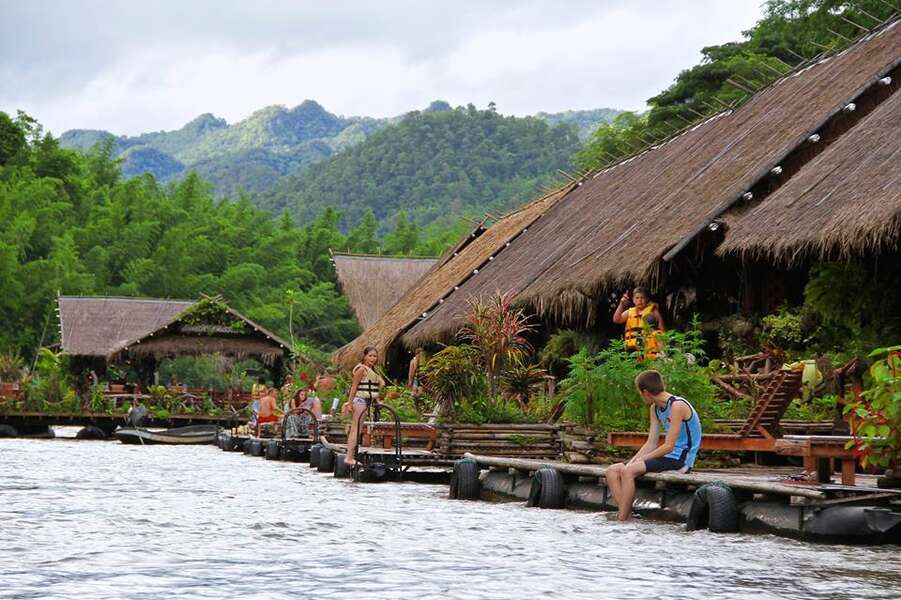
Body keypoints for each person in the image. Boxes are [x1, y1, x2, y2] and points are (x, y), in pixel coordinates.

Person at [605, 370, 702, 521]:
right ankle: (626, 515)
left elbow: (669, 446)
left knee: (629, 472)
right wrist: (633, 461)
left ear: (645, 393)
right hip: (666, 457)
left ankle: (621, 520)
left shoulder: (677, 406)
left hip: (681, 459)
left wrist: (637, 463)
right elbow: (651, 443)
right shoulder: (655, 409)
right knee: (613, 471)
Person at [342, 346, 384, 466]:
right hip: (359, 401)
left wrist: (378, 400)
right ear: (364, 356)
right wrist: (349, 404)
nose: (373, 358)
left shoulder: (372, 370)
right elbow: (354, 387)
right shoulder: (361, 370)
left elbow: (377, 386)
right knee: (355, 429)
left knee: (359, 429)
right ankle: (349, 457)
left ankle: (351, 456)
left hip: (366, 401)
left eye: (375, 356)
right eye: (370, 355)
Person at [613, 286, 664, 358]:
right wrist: (621, 304)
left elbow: (661, 329)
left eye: (642, 298)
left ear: (646, 299)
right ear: (633, 300)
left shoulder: (653, 311)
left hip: (647, 348)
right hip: (631, 349)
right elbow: (616, 320)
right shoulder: (630, 312)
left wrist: (661, 348)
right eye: (637, 298)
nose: (640, 300)